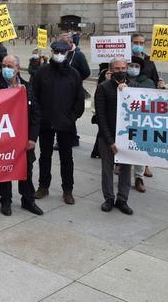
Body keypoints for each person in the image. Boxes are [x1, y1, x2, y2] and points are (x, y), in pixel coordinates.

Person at [0, 55, 43, 216]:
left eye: (10, 66)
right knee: (5, 170)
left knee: (26, 170)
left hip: (23, 138)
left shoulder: (26, 87)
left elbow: (36, 115)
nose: (6, 69)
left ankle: (28, 200)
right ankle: (5, 201)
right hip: (3, 137)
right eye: (4, 65)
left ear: (18, 68)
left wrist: (32, 138)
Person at [31, 41, 85, 205]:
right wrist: (39, 117)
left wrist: (72, 118)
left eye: (62, 52)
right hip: (46, 123)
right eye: (56, 51)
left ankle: (67, 190)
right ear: (52, 51)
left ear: (67, 53)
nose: (59, 54)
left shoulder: (74, 74)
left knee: (66, 158)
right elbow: (35, 97)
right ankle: (43, 186)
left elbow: (79, 100)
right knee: (45, 157)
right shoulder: (43, 72)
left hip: (66, 125)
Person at [94, 58, 135, 215]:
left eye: (123, 68)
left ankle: (122, 199)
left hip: (127, 137)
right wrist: (110, 140)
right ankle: (109, 198)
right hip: (107, 137)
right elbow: (101, 116)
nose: (121, 71)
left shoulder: (134, 87)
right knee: (107, 168)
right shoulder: (103, 88)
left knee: (126, 169)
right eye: (117, 68)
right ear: (111, 70)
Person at [126, 56, 156, 192]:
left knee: (139, 149)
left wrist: (161, 88)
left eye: (136, 66)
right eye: (131, 65)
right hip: (124, 121)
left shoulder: (148, 82)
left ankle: (139, 177)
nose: (133, 68)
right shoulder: (120, 79)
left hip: (140, 122)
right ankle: (121, 169)